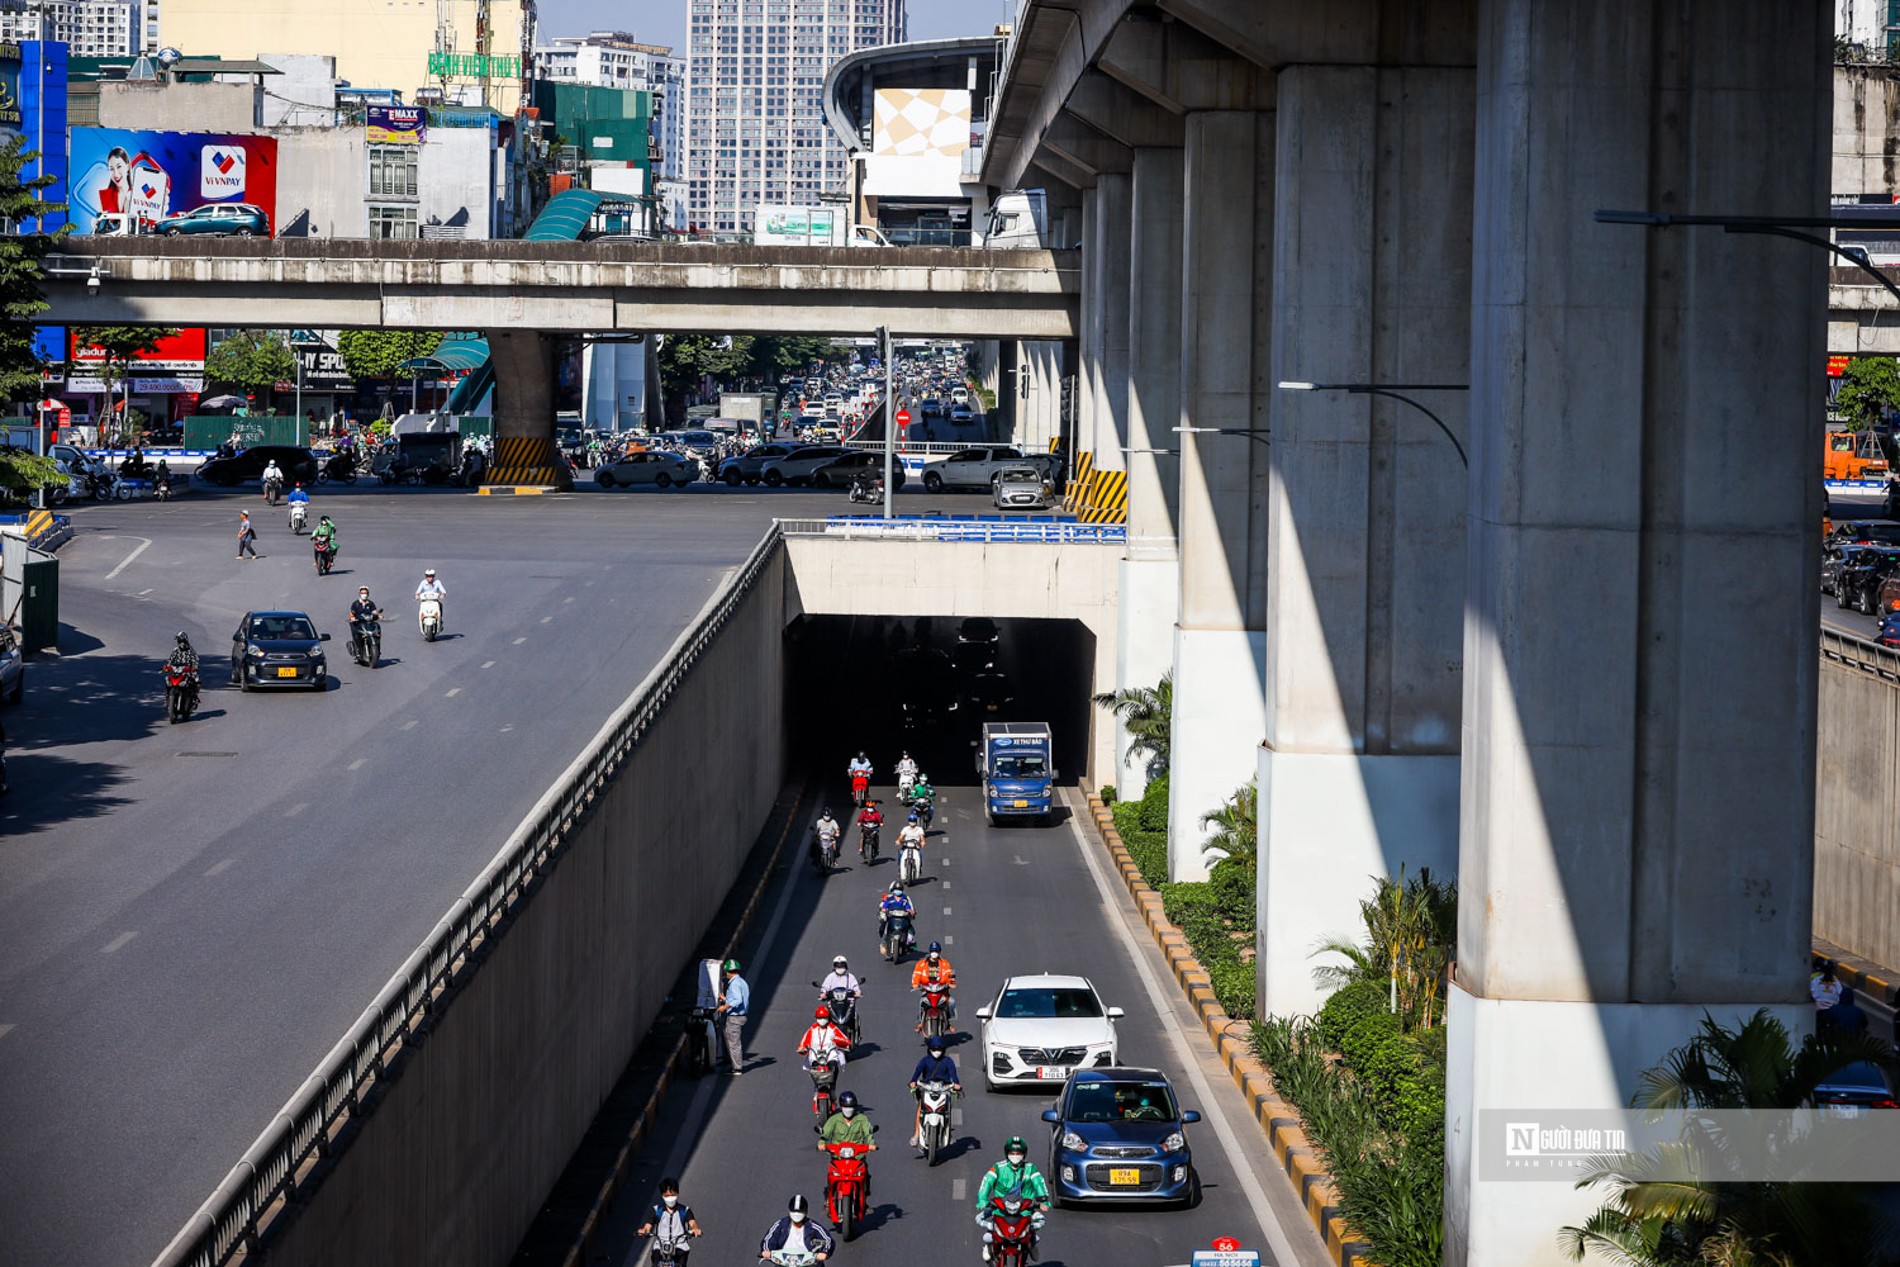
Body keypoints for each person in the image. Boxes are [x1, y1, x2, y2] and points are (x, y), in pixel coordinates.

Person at [974, 1137, 1050, 1262]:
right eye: (1012, 1153)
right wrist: (982, 1199)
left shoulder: (1031, 1168)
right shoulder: (998, 1167)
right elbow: (986, 1182)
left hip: (1024, 1210)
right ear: (1007, 1154)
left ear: (1024, 1154)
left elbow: (1039, 1183)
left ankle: (1032, 1244)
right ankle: (990, 1245)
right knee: (989, 1234)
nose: (1015, 1156)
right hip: (1001, 1210)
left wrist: (1044, 1201)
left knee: (1033, 1234)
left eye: (1018, 1153)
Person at [908, 1037, 961, 1151]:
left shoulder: (948, 1061)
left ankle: (949, 1135)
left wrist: (956, 1084)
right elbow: (917, 1072)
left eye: (939, 1048)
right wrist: (913, 1081)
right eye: (934, 1048)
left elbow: (954, 1074)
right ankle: (916, 1135)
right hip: (927, 1088)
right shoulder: (925, 1061)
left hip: (943, 1089)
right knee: (920, 1109)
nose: (937, 1051)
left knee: (947, 1110)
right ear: (930, 1049)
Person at [634, 1177, 703, 1262]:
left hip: (679, 1245)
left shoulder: (684, 1210)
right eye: (667, 1196)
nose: (670, 1198)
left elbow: (692, 1223)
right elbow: (648, 1224)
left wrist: (695, 1229)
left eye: (672, 1195)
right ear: (662, 1196)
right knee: (655, 1261)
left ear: (677, 1194)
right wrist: (644, 1230)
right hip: (661, 1245)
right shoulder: (656, 1210)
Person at [758, 1195, 834, 1262]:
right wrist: (767, 1251)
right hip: (783, 1263)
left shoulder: (813, 1227)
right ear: (789, 1211)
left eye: (800, 1211)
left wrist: (824, 1252)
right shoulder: (781, 1225)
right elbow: (769, 1238)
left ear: (806, 1212)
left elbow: (827, 1240)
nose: (797, 1214)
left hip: (809, 1264)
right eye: (794, 1211)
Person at [911, 941, 956, 1032]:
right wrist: (916, 985)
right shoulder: (921, 964)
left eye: (936, 951)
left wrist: (951, 983)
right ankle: (920, 1022)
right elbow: (916, 975)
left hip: (941, 989)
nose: (934, 953)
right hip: (927, 989)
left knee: (951, 1002)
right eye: (932, 951)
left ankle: (948, 1022)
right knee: (921, 1002)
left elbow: (949, 975)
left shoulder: (945, 963)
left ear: (939, 952)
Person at [715, 959, 749, 1075]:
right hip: (740, 1016)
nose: (725, 974)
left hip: (735, 1017)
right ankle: (728, 1060)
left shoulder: (734, 984)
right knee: (727, 1037)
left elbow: (738, 1000)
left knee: (734, 1043)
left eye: (726, 972)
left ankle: (737, 1068)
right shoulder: (741, 982)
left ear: (730, 972)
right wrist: (726, 999)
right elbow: (738, 997)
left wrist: (724, 1007)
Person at [798, 1005, 853, 1073]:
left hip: (830, 1056)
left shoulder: (833, 1029)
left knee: (833, 1068)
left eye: (824, 1017)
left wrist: (836, 1040)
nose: (822, 1020)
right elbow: (804, 1042)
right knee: (814, 1068)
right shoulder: (812, 1029)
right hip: (816, 1056)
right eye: (820, 1018)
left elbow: (846, 1041)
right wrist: (802, 1048)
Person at [878, 882, 916, 952]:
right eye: (896, 889)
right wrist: (883, 913)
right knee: (885, 930)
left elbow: (909, 908)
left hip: (903, 919)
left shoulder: (905, 899)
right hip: (891, 919)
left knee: (911, 931)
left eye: (899, 889)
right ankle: (883, 944)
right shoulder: (889, 899)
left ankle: (910, 946)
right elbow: (883, 908)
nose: (898, 891)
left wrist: (912, 912)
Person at [166, 631, 200, 708]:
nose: (179, 643)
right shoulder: (175, 650)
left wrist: (194, 667)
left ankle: (194, 698)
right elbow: (170, 660)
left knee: (197, 680)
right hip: (177, 670)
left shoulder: (190, 651)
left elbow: (196, 660)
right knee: (168, 680)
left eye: (180, 641)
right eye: (178, 641)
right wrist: (167, 667)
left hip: (188, 671)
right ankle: (167, 698)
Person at [348, 587, 382, 657]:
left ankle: (377, 647)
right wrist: (353, 618)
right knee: (356, 634)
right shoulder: (355, 604)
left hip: (368, 623)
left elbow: (374, 612)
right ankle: (357, 650)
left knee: (377, 628)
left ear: (368, 594)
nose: (364, 595)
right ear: (360, 594)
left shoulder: (370, 603)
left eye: (365, 593)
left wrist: (379, 615)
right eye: (362, 593)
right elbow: (351, 614)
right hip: (358, 623)